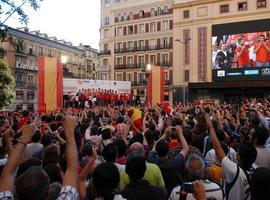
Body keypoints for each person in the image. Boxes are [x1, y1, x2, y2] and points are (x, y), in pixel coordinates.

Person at [205, 113, 257, 200]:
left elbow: (217, 147)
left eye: (238, 152)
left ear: (239, 156)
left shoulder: (234, 170)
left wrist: (210, 127)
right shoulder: (256, 170)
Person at [148, 126, 189, 195]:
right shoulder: (174, 162)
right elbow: (186, 148)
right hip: (172, 193)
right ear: (168, 151)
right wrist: (180, 134)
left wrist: (164, 135)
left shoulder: (152, 160)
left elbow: (155, 147)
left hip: (158, 194)